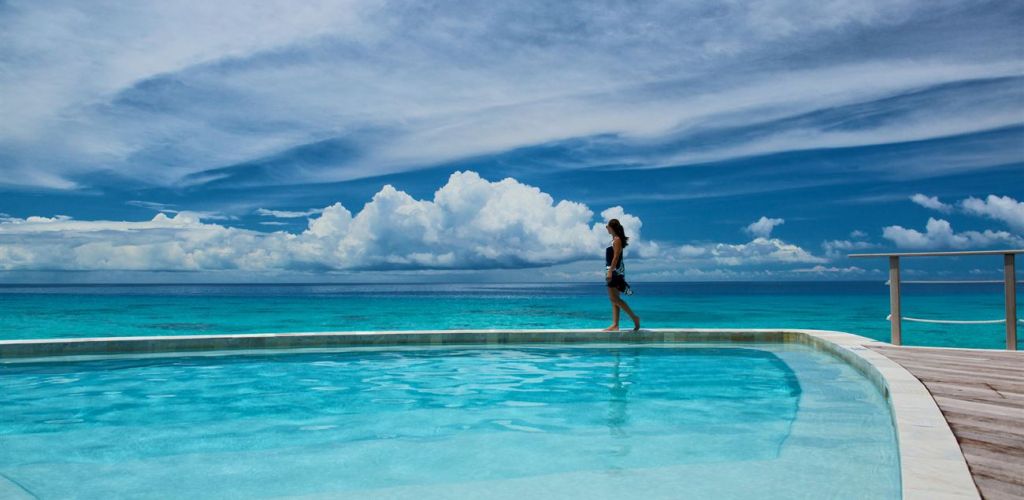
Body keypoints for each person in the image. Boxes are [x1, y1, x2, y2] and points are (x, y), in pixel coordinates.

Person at [602, 219, 640, 331]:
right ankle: (615, 324)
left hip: (615, 271)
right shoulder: (614, 240)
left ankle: (634, 318)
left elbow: (616, 256)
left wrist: (610, 271)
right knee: (615, 299)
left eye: (607, 226)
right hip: (614, 270)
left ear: (612, 227)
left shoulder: (617, 240)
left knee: (613, 298)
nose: (606, 228)